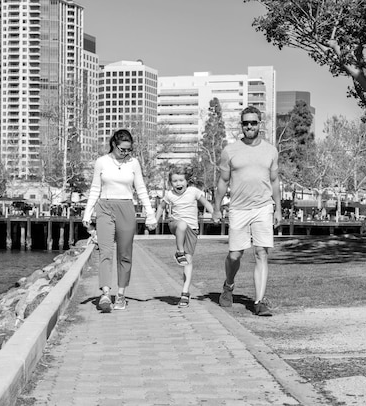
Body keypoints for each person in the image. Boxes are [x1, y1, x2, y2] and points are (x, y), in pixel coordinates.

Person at [212, 106, 282, 317]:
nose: (249, 126)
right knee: (235, 255)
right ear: (241, 125)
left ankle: (259, 301)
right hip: (239, 208)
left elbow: (275, 180)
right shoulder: (230, 150)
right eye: (245, 123)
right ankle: (229, 285)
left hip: (263, 207)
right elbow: (223, 182)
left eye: (253, 122)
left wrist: (278, 207)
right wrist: (216, 208)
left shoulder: (271, 150)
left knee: (261, 252)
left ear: (260, 124)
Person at [82, 129, 157, 313]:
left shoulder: (134, 163)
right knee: (105, 251)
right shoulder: (102, 162)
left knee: (125, 254)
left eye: (129, 150)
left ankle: (121, 294)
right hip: (105, 207)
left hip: (126, 208)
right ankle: (106, 293)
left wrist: (150, 213)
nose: (125, 153)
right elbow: (95, 188)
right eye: (122, 149)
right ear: (114, 145)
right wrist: (87, 212)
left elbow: (140, 188)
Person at [155, 166, 213, 307]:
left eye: (181, 180)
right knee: (181, 224)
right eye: (175, 181)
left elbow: (205, 203)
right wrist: (154, 220)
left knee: (188, 261)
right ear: (171, 183)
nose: (178, 184)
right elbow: (161, 207)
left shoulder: (194, 191)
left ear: (187, 182)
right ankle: (179, 251)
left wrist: (214, 213)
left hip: (192, 229)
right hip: (175, 224)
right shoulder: (169, 195)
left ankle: (185, 292)